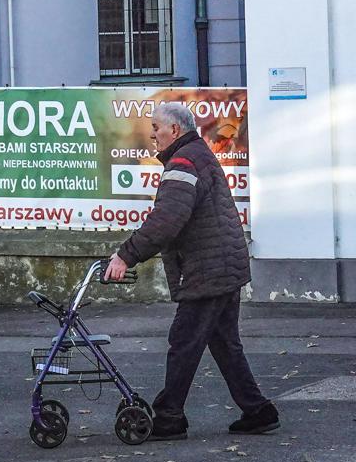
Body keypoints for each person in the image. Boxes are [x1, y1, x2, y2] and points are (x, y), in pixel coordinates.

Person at [104, 102, 279, 440]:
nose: (152, 134)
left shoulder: (183, 162)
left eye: (157, 127)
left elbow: (167, 220)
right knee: (225, 343)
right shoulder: (195, 155)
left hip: (208, 269)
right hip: (222, 264)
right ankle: (258, 410)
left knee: (184, 341)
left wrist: (125, 255)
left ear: (176, 130)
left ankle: (169, 417)